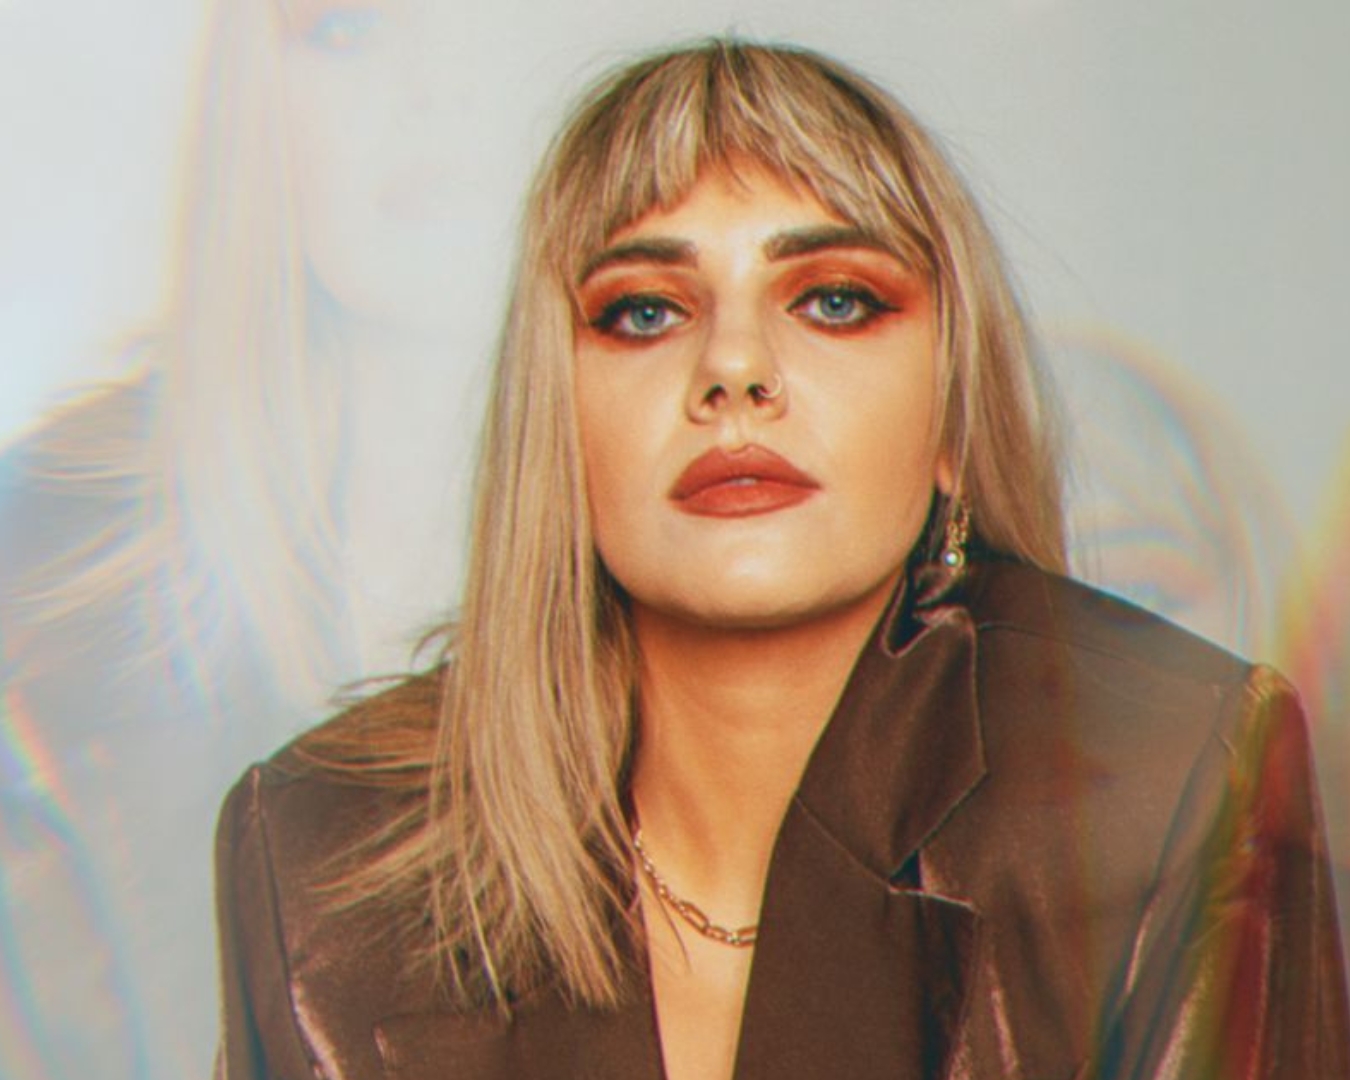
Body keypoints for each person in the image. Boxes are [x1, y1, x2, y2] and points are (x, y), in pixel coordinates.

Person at [213, 40, 1350, 1079]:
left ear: (952, 416)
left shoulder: (1178, 775)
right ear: (554, 422)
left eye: (835, 300)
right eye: (645, 313)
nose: (736, 369)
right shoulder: (311, 850)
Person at [0, 2, 477, 1077]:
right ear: (253, 106)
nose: (432, 97)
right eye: (345, 29)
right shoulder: (31, 600)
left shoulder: (799, 588)